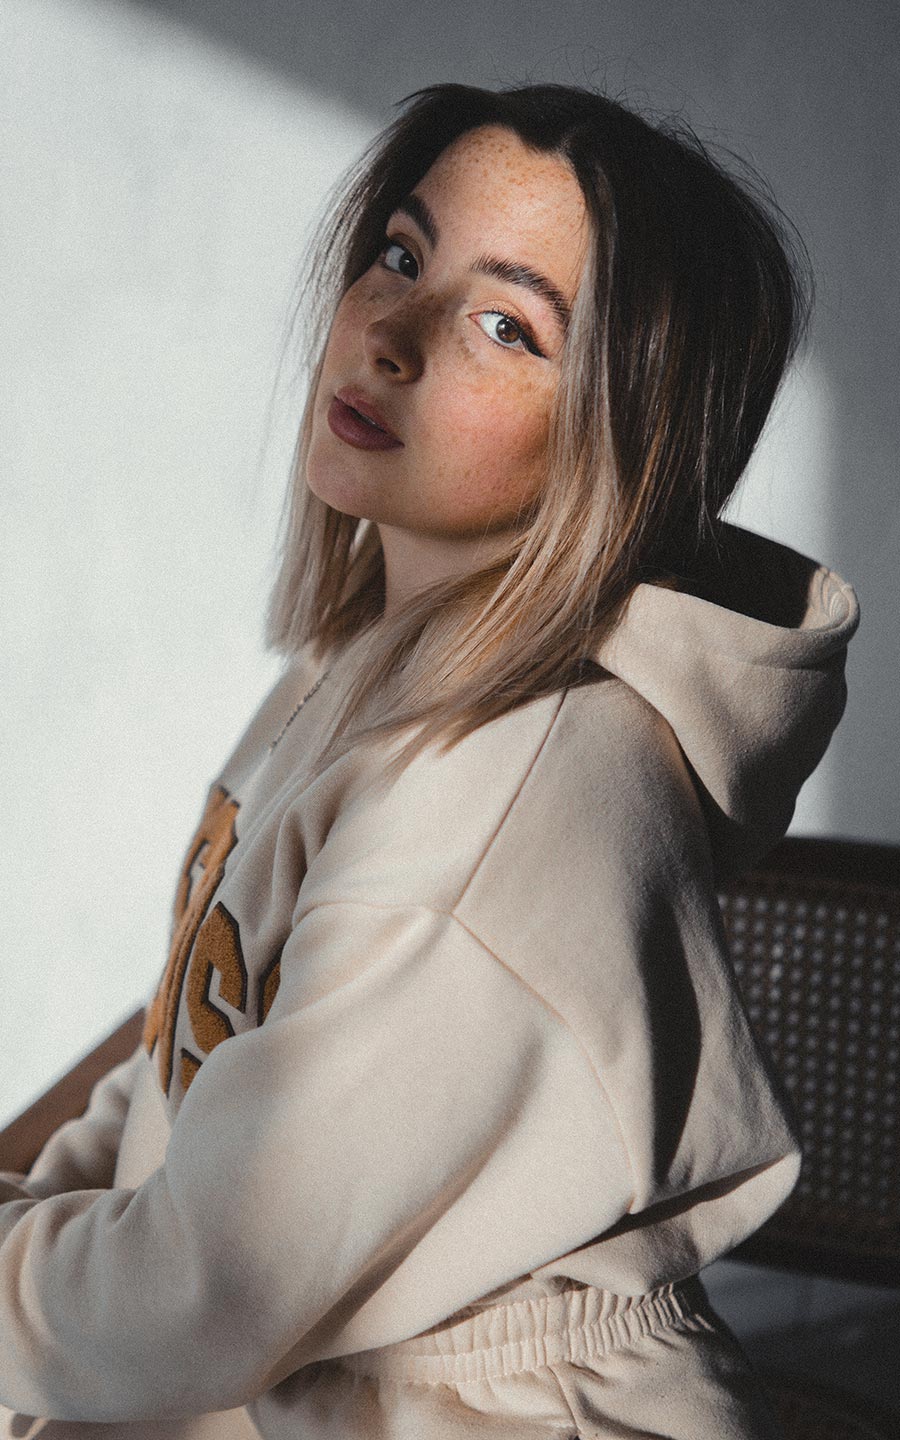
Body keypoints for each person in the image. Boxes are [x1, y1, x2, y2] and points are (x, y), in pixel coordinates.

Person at [0, 83, 859, 1439]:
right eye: (403, 256)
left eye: (507, 325)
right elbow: (191, 1062)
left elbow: (188, 1301)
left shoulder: (501, 788)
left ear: (626, 436)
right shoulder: (362, 664)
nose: (391, 333)